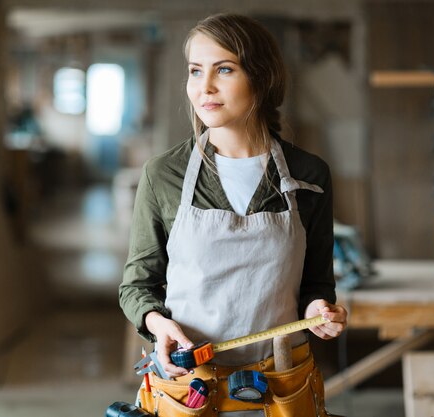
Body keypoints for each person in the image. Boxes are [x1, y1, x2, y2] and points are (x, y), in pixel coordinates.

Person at [119, 13, 347, 417]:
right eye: (195, 71)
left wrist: (318, 311)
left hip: (280, 384)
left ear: (261, 78)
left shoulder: (309, 176)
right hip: (189, 385)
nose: (203, 87)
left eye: (224, 69)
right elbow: (138, 285)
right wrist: (158, 323)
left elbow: (315, 284)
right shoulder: (164, 175)